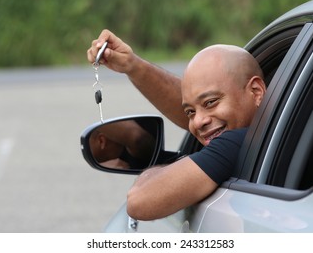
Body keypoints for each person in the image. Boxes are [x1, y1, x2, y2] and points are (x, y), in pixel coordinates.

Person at [87, 29, 266, 220]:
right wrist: (132, 65)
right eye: (190, 112)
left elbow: (139, 202)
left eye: (211, 102)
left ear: (256, 92)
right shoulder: (261, 134)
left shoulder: (235, 143)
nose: (198, 121)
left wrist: (164, 168)